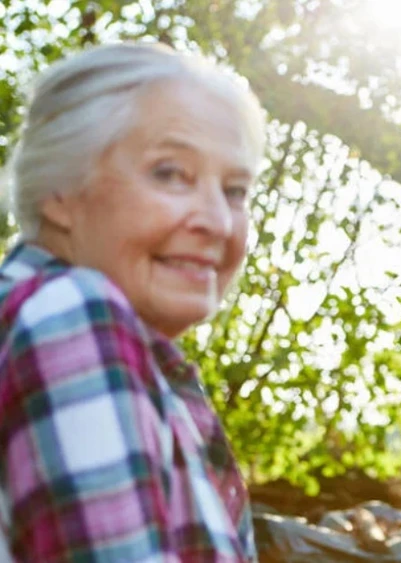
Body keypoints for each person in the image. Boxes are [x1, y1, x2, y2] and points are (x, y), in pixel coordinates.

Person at [0, 43, 266, 561]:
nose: (217, 221)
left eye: (235, 190)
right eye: (170, 174)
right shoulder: (71, 315)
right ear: (60, 192)